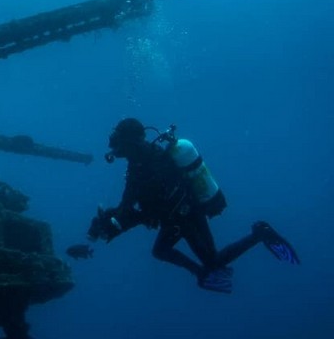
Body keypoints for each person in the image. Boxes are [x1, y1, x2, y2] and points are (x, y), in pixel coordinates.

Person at [88, 118, 299, 293]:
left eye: (119, 143)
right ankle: (203, 273)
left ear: (130, 142)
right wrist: (111, 220)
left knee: (211, 260)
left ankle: (260, 233)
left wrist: (116, 222)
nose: (114, 148)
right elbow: (132, 204)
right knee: (162, 251)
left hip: (186, 216)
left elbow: (141, 206)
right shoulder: (140, 163)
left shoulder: (148, 164)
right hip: (177, 217)